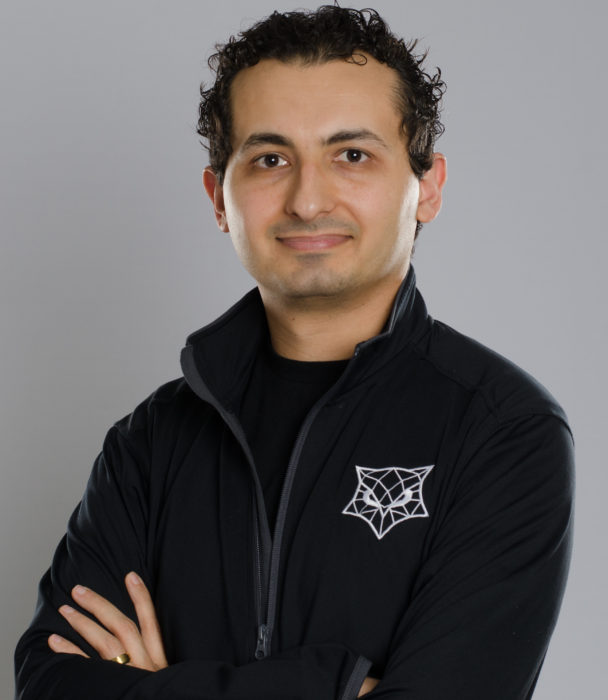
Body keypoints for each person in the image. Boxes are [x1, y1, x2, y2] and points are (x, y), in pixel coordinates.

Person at [14, 5, 574, 699]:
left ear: (426, 188)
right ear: (220, 198)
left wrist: (160, 688)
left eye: (352, 155)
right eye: (270, 159)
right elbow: (50, 684)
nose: (308, 200)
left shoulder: (503, 431)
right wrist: (334, 686)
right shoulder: (151, 441)